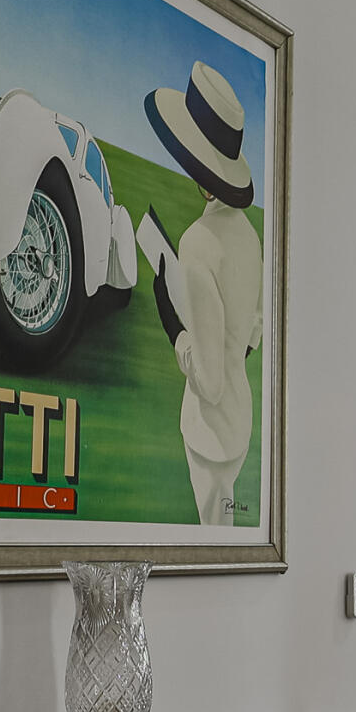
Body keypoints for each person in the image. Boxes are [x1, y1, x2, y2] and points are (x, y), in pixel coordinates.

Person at [142, 61, 263, 525]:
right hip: (241, 423)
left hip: (209, 434)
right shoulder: (248, 237)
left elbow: (208, 384)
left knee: (214, 539)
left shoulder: (197, 244)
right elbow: (251, 333)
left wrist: (173, 325)